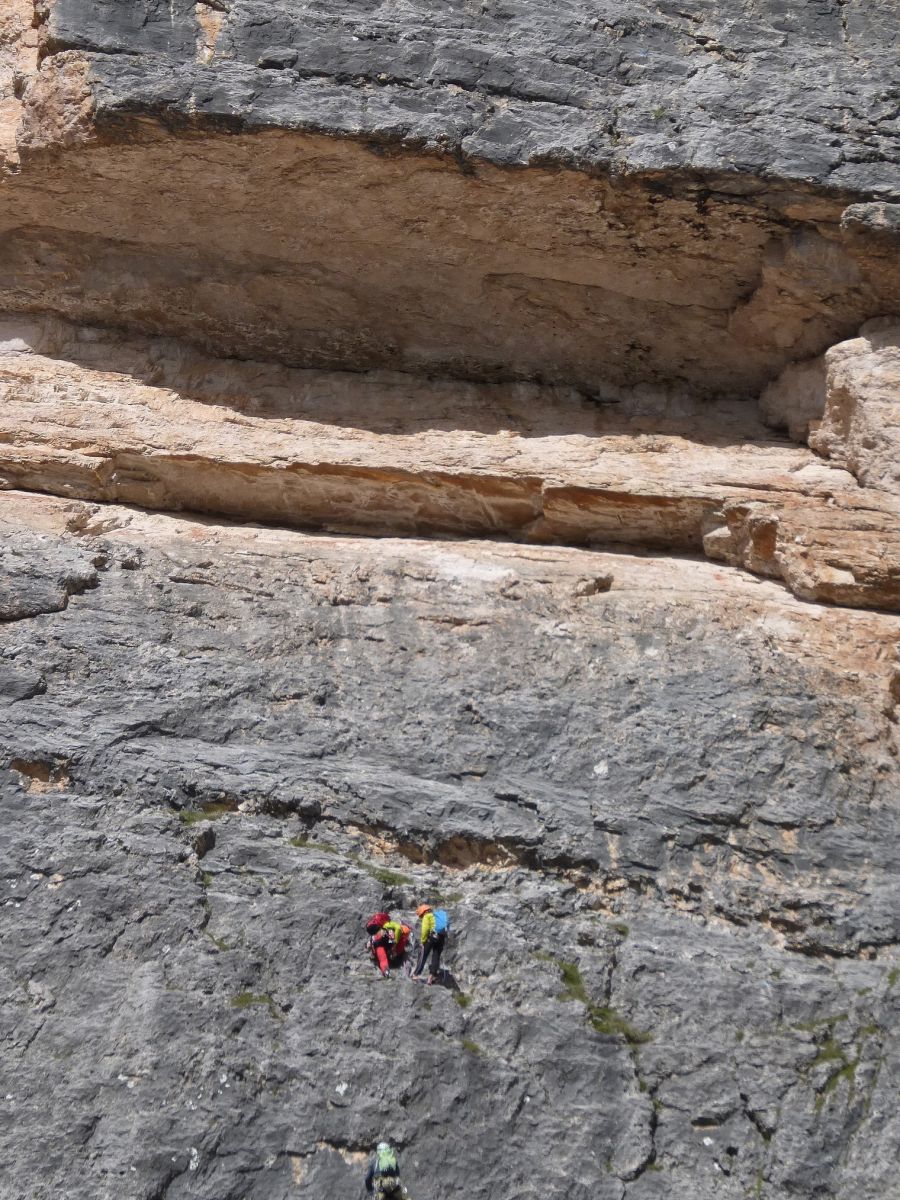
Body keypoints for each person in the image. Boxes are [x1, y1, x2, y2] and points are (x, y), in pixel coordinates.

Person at [413, 903, 448, 984]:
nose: (421, 917)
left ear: (423, 912)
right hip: (441, 937)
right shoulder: (437, 917)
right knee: (436, 956)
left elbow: (425, 930)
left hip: (431, 937)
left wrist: (422, 941)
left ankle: (416, 975)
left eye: (421, 916)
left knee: (423, 955)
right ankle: (431, 977)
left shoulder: (427, 916)